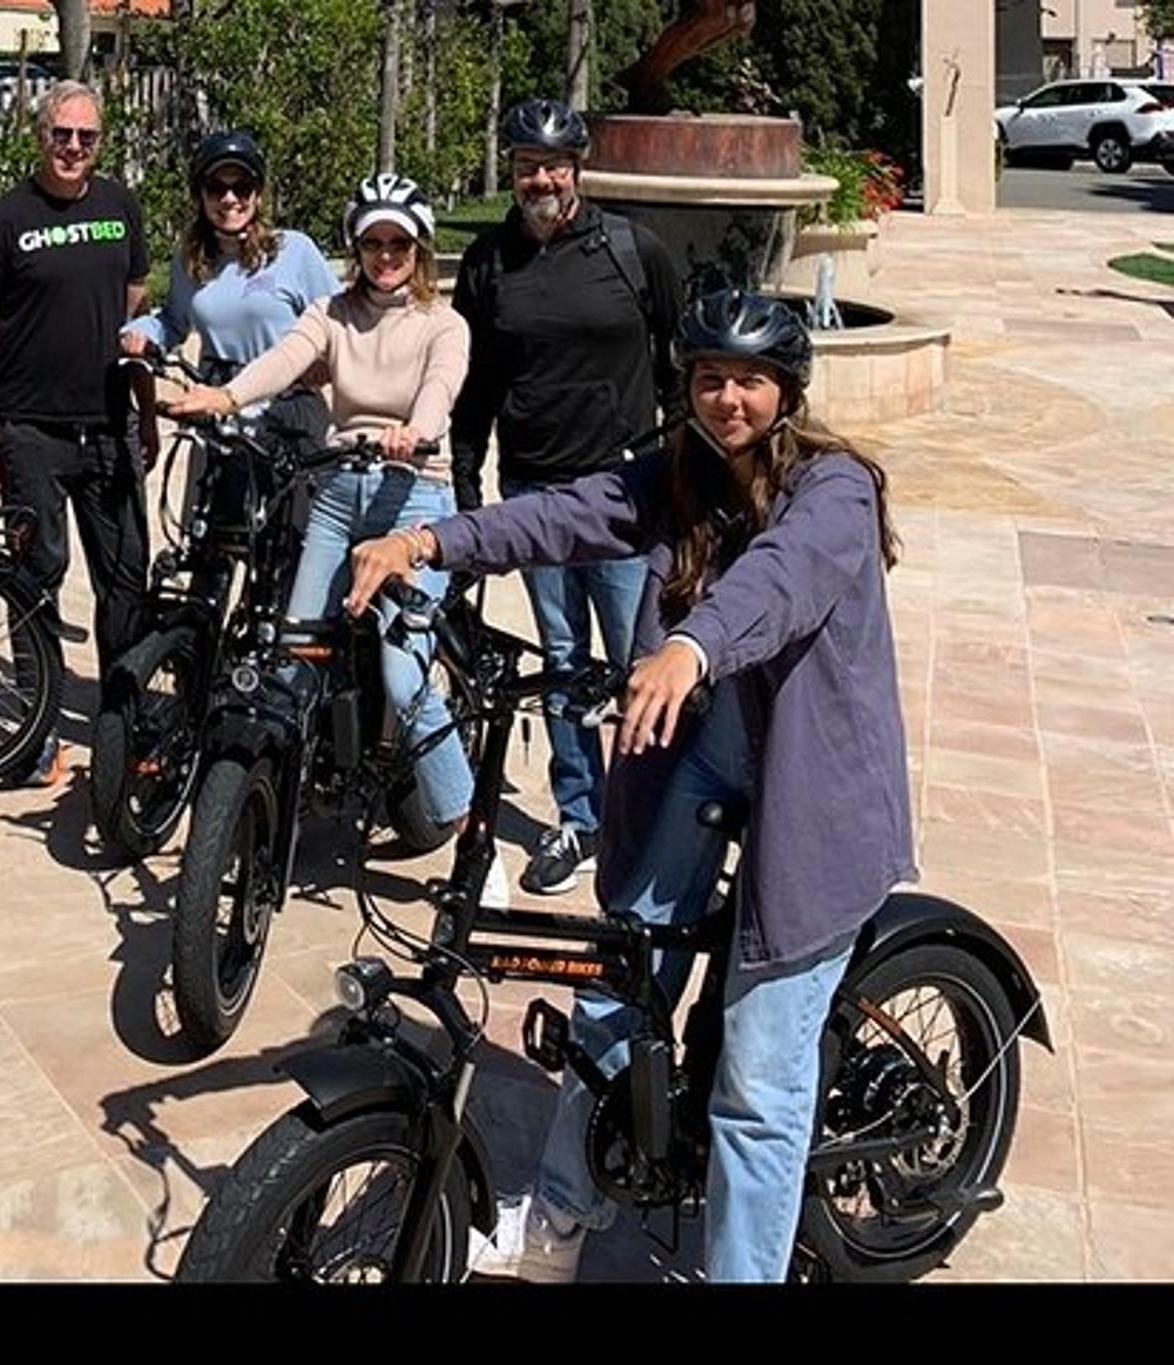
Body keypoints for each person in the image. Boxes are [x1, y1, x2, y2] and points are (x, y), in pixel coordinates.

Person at [347, 288, 914, 1284]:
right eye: (707, 380)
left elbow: (776, 580)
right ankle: (559, 1223)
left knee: (755, 1083)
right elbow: (569, 514)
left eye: (747, 381)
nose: (726, 399)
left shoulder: (833, 490)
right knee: (612, 989)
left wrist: (688, 647)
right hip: (705, 750)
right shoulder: (679, 475)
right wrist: (429, 541)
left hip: (809, 783)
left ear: (785, 391)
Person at [165, 173, 474, 842]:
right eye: (372, 243)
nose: (385, 255)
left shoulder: (443, 323)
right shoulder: (331, 312)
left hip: (414, 497)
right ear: (355, 247)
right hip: (338, 495)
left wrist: (414, 432)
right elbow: (286, 359)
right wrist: (225, 398)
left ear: (419, 249)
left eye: (399, 243)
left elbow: (439, 389)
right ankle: (288, 780)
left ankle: (457, 805)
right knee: (293, 645)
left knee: (402, 667)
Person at [447, 97, 685, 898]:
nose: (539, 179)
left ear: (577, 169)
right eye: (525, 166)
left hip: (624, 494)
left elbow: (680, 358)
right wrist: (466, 478)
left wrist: (687, 467)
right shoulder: (488, 263)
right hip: (533, 489)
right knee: (558, 663)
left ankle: (649, 813)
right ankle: (579, 817)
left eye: (552, 165)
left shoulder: (631, 250)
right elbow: (475, 380)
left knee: (636, 662)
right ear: (510, 171)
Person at [0, 79, 152, 783]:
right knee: (35, 578)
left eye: (86, 137)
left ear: (101, 142)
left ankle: (124, 725)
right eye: (61, 134)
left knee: (127, 579)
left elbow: (135, 300)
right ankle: (39, 735)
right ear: (39, 136)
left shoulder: (120, 205)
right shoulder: (3, 220)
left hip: (107, 427)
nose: (72, 147)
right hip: (26, 428)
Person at [120, 129, 338, 454]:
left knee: (295, 501)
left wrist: (323, 361)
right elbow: (173, 322)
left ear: (258, 195)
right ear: (200, 196)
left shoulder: (294, 251)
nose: (230, 198)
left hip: (288, 402)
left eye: (242, 187)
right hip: (217, 403)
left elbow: (340, 322)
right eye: (216, 188)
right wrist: (139, 332)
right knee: (215, 502)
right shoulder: (191, 259)